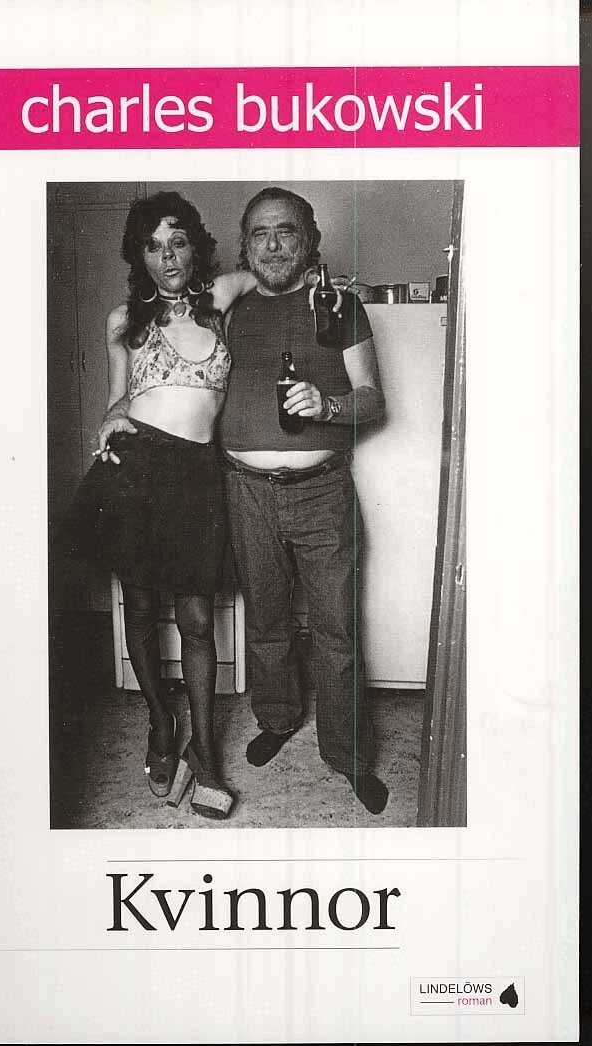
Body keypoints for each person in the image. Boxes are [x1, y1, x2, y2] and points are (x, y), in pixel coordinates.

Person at [64, 190, 255, 820]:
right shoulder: (124, 320)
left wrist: (319, 281)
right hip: (137, 471)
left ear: (195, 247)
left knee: (197, 619)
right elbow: (118, 398)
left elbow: (273, 270)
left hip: (198, 475)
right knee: (142, 608)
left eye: (177, 242)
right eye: (153, 246)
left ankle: (206, 749)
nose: (167, 256)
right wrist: (107, 421)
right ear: (139, 256)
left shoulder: (221, 299)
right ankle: (159, 722)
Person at [218, 186, 389, 815]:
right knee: (266, 622)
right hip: (244, 491)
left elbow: (373, 399)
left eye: (285, 231)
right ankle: (278, 716)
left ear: (309, 239)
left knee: (336, 630)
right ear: (246, 246)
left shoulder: (337, 305)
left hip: (321, 494)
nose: (272, 245)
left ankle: (347, 754)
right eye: (259, 233)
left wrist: (328, 404)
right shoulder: (230, 309)